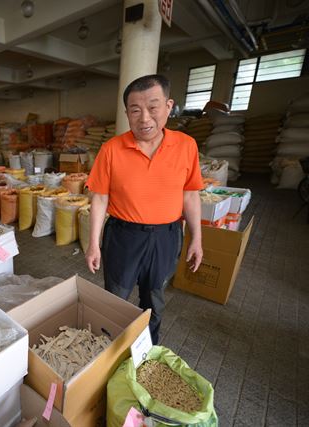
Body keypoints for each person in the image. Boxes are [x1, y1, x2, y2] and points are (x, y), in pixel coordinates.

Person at [85, 74, 203, 345]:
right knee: (116, 299)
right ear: (127, 113)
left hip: (166, 236)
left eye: (153, 107)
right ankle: (110, 351)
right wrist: (93, 244)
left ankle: (148, 351)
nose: (145, 118)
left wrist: (197, 238)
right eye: (135, 110)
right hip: (123, 237)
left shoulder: (186, 146)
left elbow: (191, 195)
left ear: (169, 105)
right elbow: (100, 199)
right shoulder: (111, 149)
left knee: (154, 299)